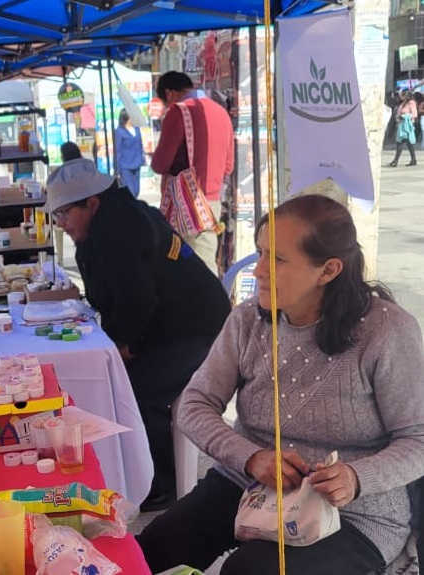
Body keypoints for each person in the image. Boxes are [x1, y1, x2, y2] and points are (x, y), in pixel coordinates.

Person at [137, 194, 424, 575]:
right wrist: (250, 457)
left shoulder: (387, 331)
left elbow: (417, 438)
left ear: (328, 270)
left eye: (277, 259)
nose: (258, 270)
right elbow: (194, 404)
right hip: (250, 485)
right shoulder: (247, 321)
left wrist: (356, 478)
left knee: (249, 570)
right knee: (151, 550)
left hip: (353, 511)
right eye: (260, 253)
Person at [46, 158, 231, 511]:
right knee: (122, 381)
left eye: (65, 213)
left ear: (93, 203)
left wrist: (123, 340)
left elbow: (137, 298)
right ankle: (131, 469)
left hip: (197, 329)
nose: (61, 223)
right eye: (57, 215)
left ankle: (163, 483)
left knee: (137, 390)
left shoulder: (119, 227)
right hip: (166, 326)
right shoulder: (106, 221)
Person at [151, 71, 234, 276]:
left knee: (187, 268)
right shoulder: (221, 112)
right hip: (212, 202)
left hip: (186, 205)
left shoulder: (178, 112)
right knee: (205, 261)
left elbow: (160, 164)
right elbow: (229, 166)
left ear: (169, 94)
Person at [115, 108, 145, 197]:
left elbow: (140, 144)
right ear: (127, 119)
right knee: (131, 191)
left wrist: (143, 158)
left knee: (136, 190)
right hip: (125, 166)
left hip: (137, 163)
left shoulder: (136, 128)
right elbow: (118, 151)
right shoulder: (119, 132)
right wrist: (117, 171)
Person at [389, 91, 417, 167]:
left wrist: (404, 116)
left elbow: (414, 114)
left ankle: (396, 161)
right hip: (401, 125)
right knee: (408, 143)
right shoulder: (402, 104)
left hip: (407, 125)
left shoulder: (411, 103)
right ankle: (413, 159)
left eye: (402, 95)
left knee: (400, 142)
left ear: (406, 96)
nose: (400, 97)